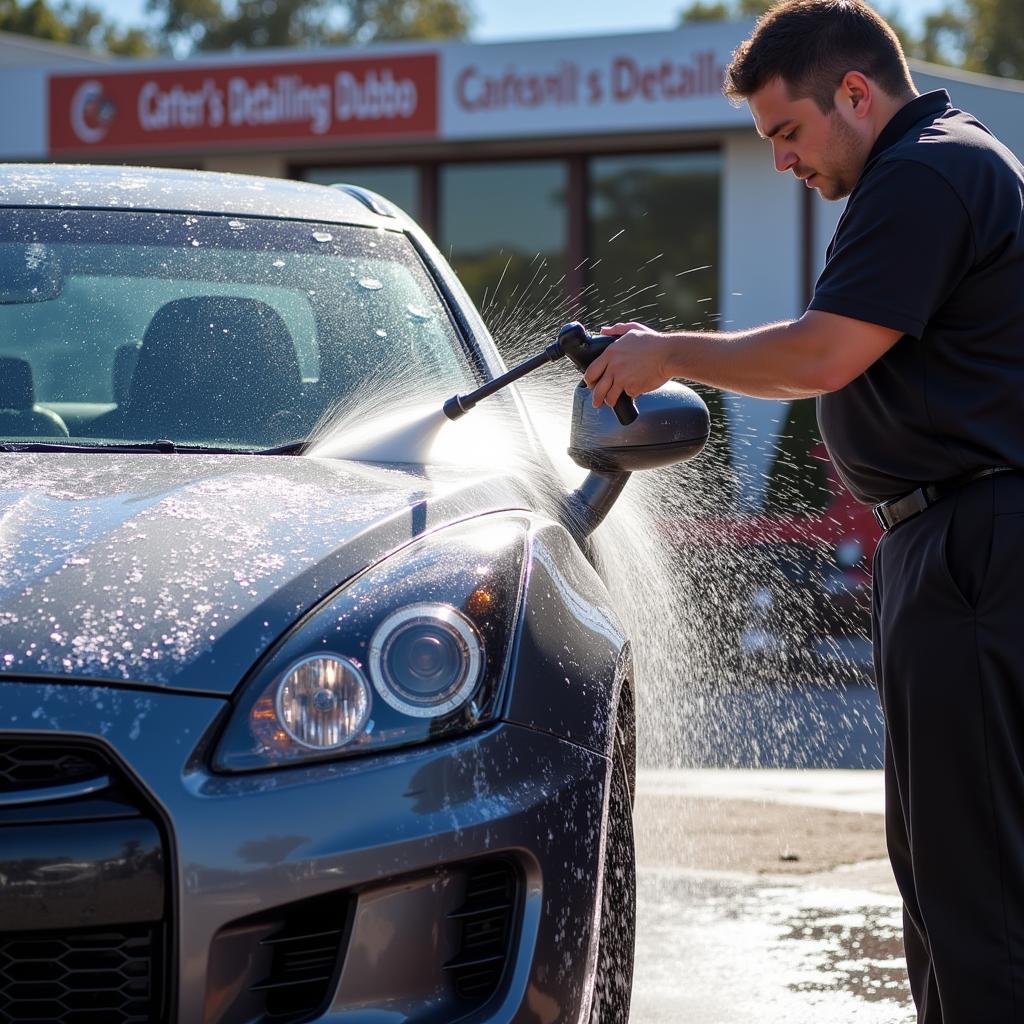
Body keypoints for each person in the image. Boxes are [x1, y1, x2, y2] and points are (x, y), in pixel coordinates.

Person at [583, 1, 1024, 1020]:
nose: (781, 162)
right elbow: (823, 362)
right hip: (953, 543)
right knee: (945, 874)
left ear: (856, 94)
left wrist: (670, 352)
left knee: (976, 890)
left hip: (975, 548)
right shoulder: (934, 166)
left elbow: (822, 353)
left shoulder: (922, 172)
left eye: (787, 132)